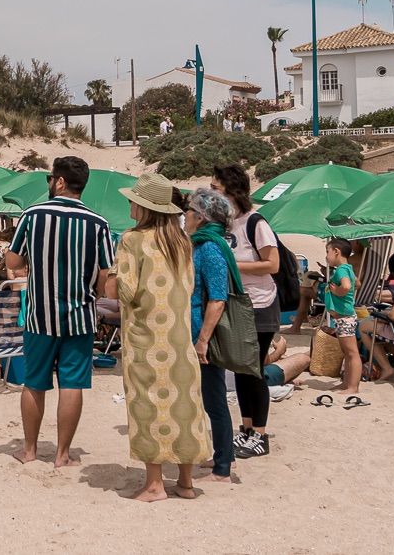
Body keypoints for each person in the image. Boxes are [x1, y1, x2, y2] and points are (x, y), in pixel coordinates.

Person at [8, 155, 115, 468]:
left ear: (60, 182)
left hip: (39, 316)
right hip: (80, 316)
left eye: (50, 179)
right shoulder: (98, 223)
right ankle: (62, 454)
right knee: (72, 384)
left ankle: (29, 450)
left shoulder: (32, 215)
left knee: (34, 383)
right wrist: (93, 295)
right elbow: (105, 275)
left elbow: (13, 261)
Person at [116, 173, 209, 501]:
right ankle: (185, 482)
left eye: (134, 200)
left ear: (145, 207)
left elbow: (126, 292)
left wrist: (111, 276)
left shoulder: (132, 240)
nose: (130, 203)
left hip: (144, 337)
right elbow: (190, 286)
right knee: (184, 407)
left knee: (147, 406)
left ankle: (155, 484)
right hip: (179, 338)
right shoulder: (182, 242)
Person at [211, 164, 281, 459]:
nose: (212, 194)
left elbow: (272, 264)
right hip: (236, 305)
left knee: (254, 371)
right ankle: (247, 428)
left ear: (232, 191)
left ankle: (260, 436)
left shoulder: (256, 222)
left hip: (260, 305)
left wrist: (233, 265)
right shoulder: (225, 223)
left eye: (215, 188)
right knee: (240, 368)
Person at [185, 186, 239, 483]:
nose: (185, 216)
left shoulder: (209, 248)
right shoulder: (201, 245)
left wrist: (203, 339)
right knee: (207, 398)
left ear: (201, 217)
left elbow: (218, 298)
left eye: (190, 211)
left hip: (204, 336)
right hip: (196, 332)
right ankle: (221, 455)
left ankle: (223, 465)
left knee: (214, 399)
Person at [322, 239, 362, 395]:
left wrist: (337, 291)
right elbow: (357, 283)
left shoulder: (341, 270)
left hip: (345, 317)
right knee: (347, 353)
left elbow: (346, 286)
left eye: (328, 252)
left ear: (336, 252)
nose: (326, 256)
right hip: (343, 317)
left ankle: (353, 387)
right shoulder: (347, 268)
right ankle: (347, 383)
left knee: (352, 353)